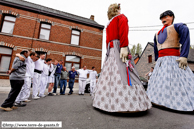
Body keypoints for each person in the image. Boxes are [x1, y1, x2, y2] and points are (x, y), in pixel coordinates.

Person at [92, 3, 152, 112]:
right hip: (116, 47)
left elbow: (110, 38)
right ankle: (126, 103)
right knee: (121, 71)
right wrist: (123, 45)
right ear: (117, 10)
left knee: (114, 73)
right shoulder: (121, 17)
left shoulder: (110, 23)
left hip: (112, 48)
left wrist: (112, 48)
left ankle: (108, 102)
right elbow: (123, 31)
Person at [147, 10, 194, 111]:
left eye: (166, 17)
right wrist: (157, 60)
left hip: (173, 59)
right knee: (160, 83)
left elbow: (185, 34)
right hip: (161, 61)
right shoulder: (157, 34)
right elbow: (156, 48)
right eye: (161, 18)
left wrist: (184, 55)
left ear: (172, 17)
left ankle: (178, 102)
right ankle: (158, 100)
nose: (163, 19)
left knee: (175, 83)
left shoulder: (177, 27)